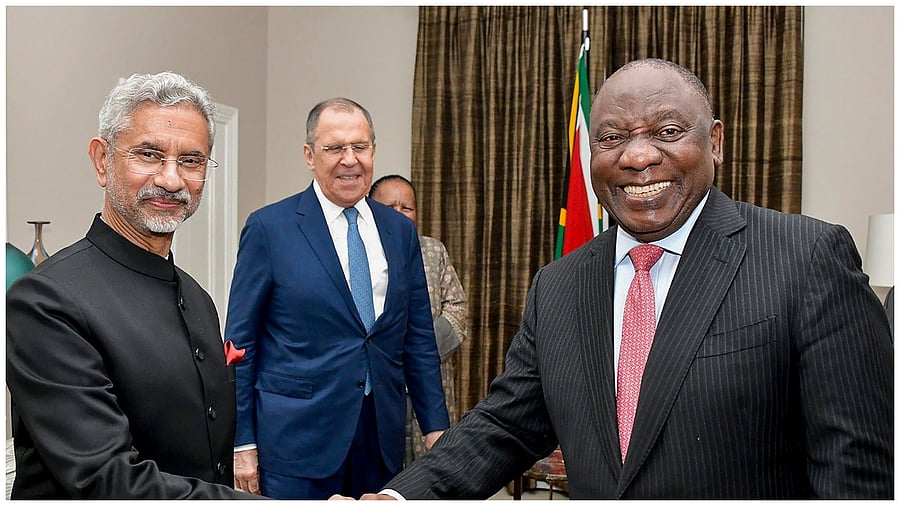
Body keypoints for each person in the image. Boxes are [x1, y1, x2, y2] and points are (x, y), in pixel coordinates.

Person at [338, 58, 894, 499]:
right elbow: (505, 427)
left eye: (668, 131)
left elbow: (855, 473)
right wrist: (396, 500)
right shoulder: (558, 286)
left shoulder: (807, 258)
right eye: (610, 138)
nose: (637, 156)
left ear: (716, 142)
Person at [6, 72, 259, 499]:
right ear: (102, 160)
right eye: (149, 154)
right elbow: (105, 478)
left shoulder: (198, 298)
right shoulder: (46, 300)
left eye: (192, 161)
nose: (172, 180)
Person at [226, 98, 450, 499]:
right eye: (334, 148)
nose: (350, 160)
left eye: (360, 147)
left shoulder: (400, 233)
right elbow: (241, 343)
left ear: (374, 151)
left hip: (379, 442)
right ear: (310, 156)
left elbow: (418, 340)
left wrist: (436, 430)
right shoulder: (269, 229)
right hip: (296, 444)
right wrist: (243, 443)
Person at [368, 175, 469, 465]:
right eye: (389, 207)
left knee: (431, 467)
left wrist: (415, 351)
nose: (399, 215)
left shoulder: (432, 251)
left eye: (407, 208)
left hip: (430, 379)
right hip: (379, 383)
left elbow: (458, 312)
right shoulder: (360, 254)